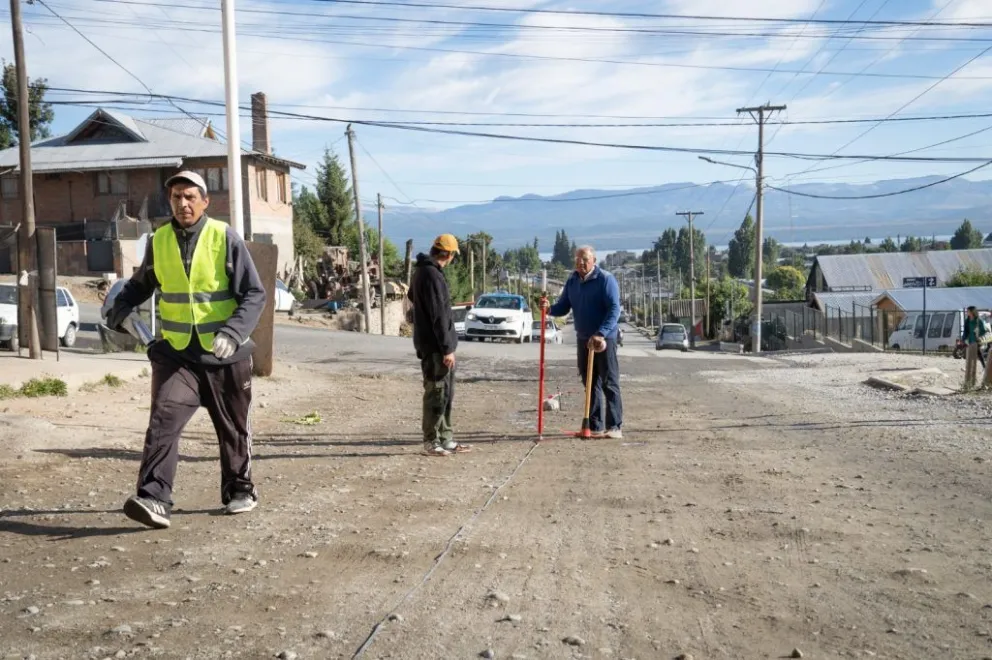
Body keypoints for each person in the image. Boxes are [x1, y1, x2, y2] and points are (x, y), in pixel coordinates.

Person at [106, 171, 266, 529]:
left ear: (205, 201)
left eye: (190, 196)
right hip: (178, 353)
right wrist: (118, 311)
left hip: (226, 354)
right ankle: (153, 498)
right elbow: (138, 286)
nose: (183, 203)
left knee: (233, 428)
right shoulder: (159, 240)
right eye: (177, 197)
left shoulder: (224, 237)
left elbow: (255, 293)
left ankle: (240, 490)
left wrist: (233, 331)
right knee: (162, 421)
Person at [541, 246, 623, 438]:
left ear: (593, 260)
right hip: (583, 338)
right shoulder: (572, 281)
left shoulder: (605, 280)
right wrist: (549, 308)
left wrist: (601, 333)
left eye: (585, 259)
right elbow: (563, 306)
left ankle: (614, 427)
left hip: (604, 339)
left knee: (609, 383)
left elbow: (614, 310)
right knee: (589, 383)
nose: (581, 263)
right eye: (577, 259)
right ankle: (595, 426)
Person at [408, 234, 471, 457]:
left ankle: (446, 438)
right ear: (449, 254)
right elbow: (438, 316)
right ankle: (432, 440)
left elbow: (412, 296)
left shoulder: (423, 272)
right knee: (436, 392)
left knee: (446, 393)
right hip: (435, 347)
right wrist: (447, 348)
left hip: (432, 344)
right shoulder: (432, 275)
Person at [961, 306, 990, 391]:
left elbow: (984, 330)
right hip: (970, 339)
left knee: (977, 352)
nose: (967, 312)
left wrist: (979, 334)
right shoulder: (967, 320)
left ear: (972, 312)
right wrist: (963, 339)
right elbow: (965, 330)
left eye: (968, 311)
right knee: (975, 354)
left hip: (976, 340)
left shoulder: (978, 320)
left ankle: (981, 367)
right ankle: (980, 367)